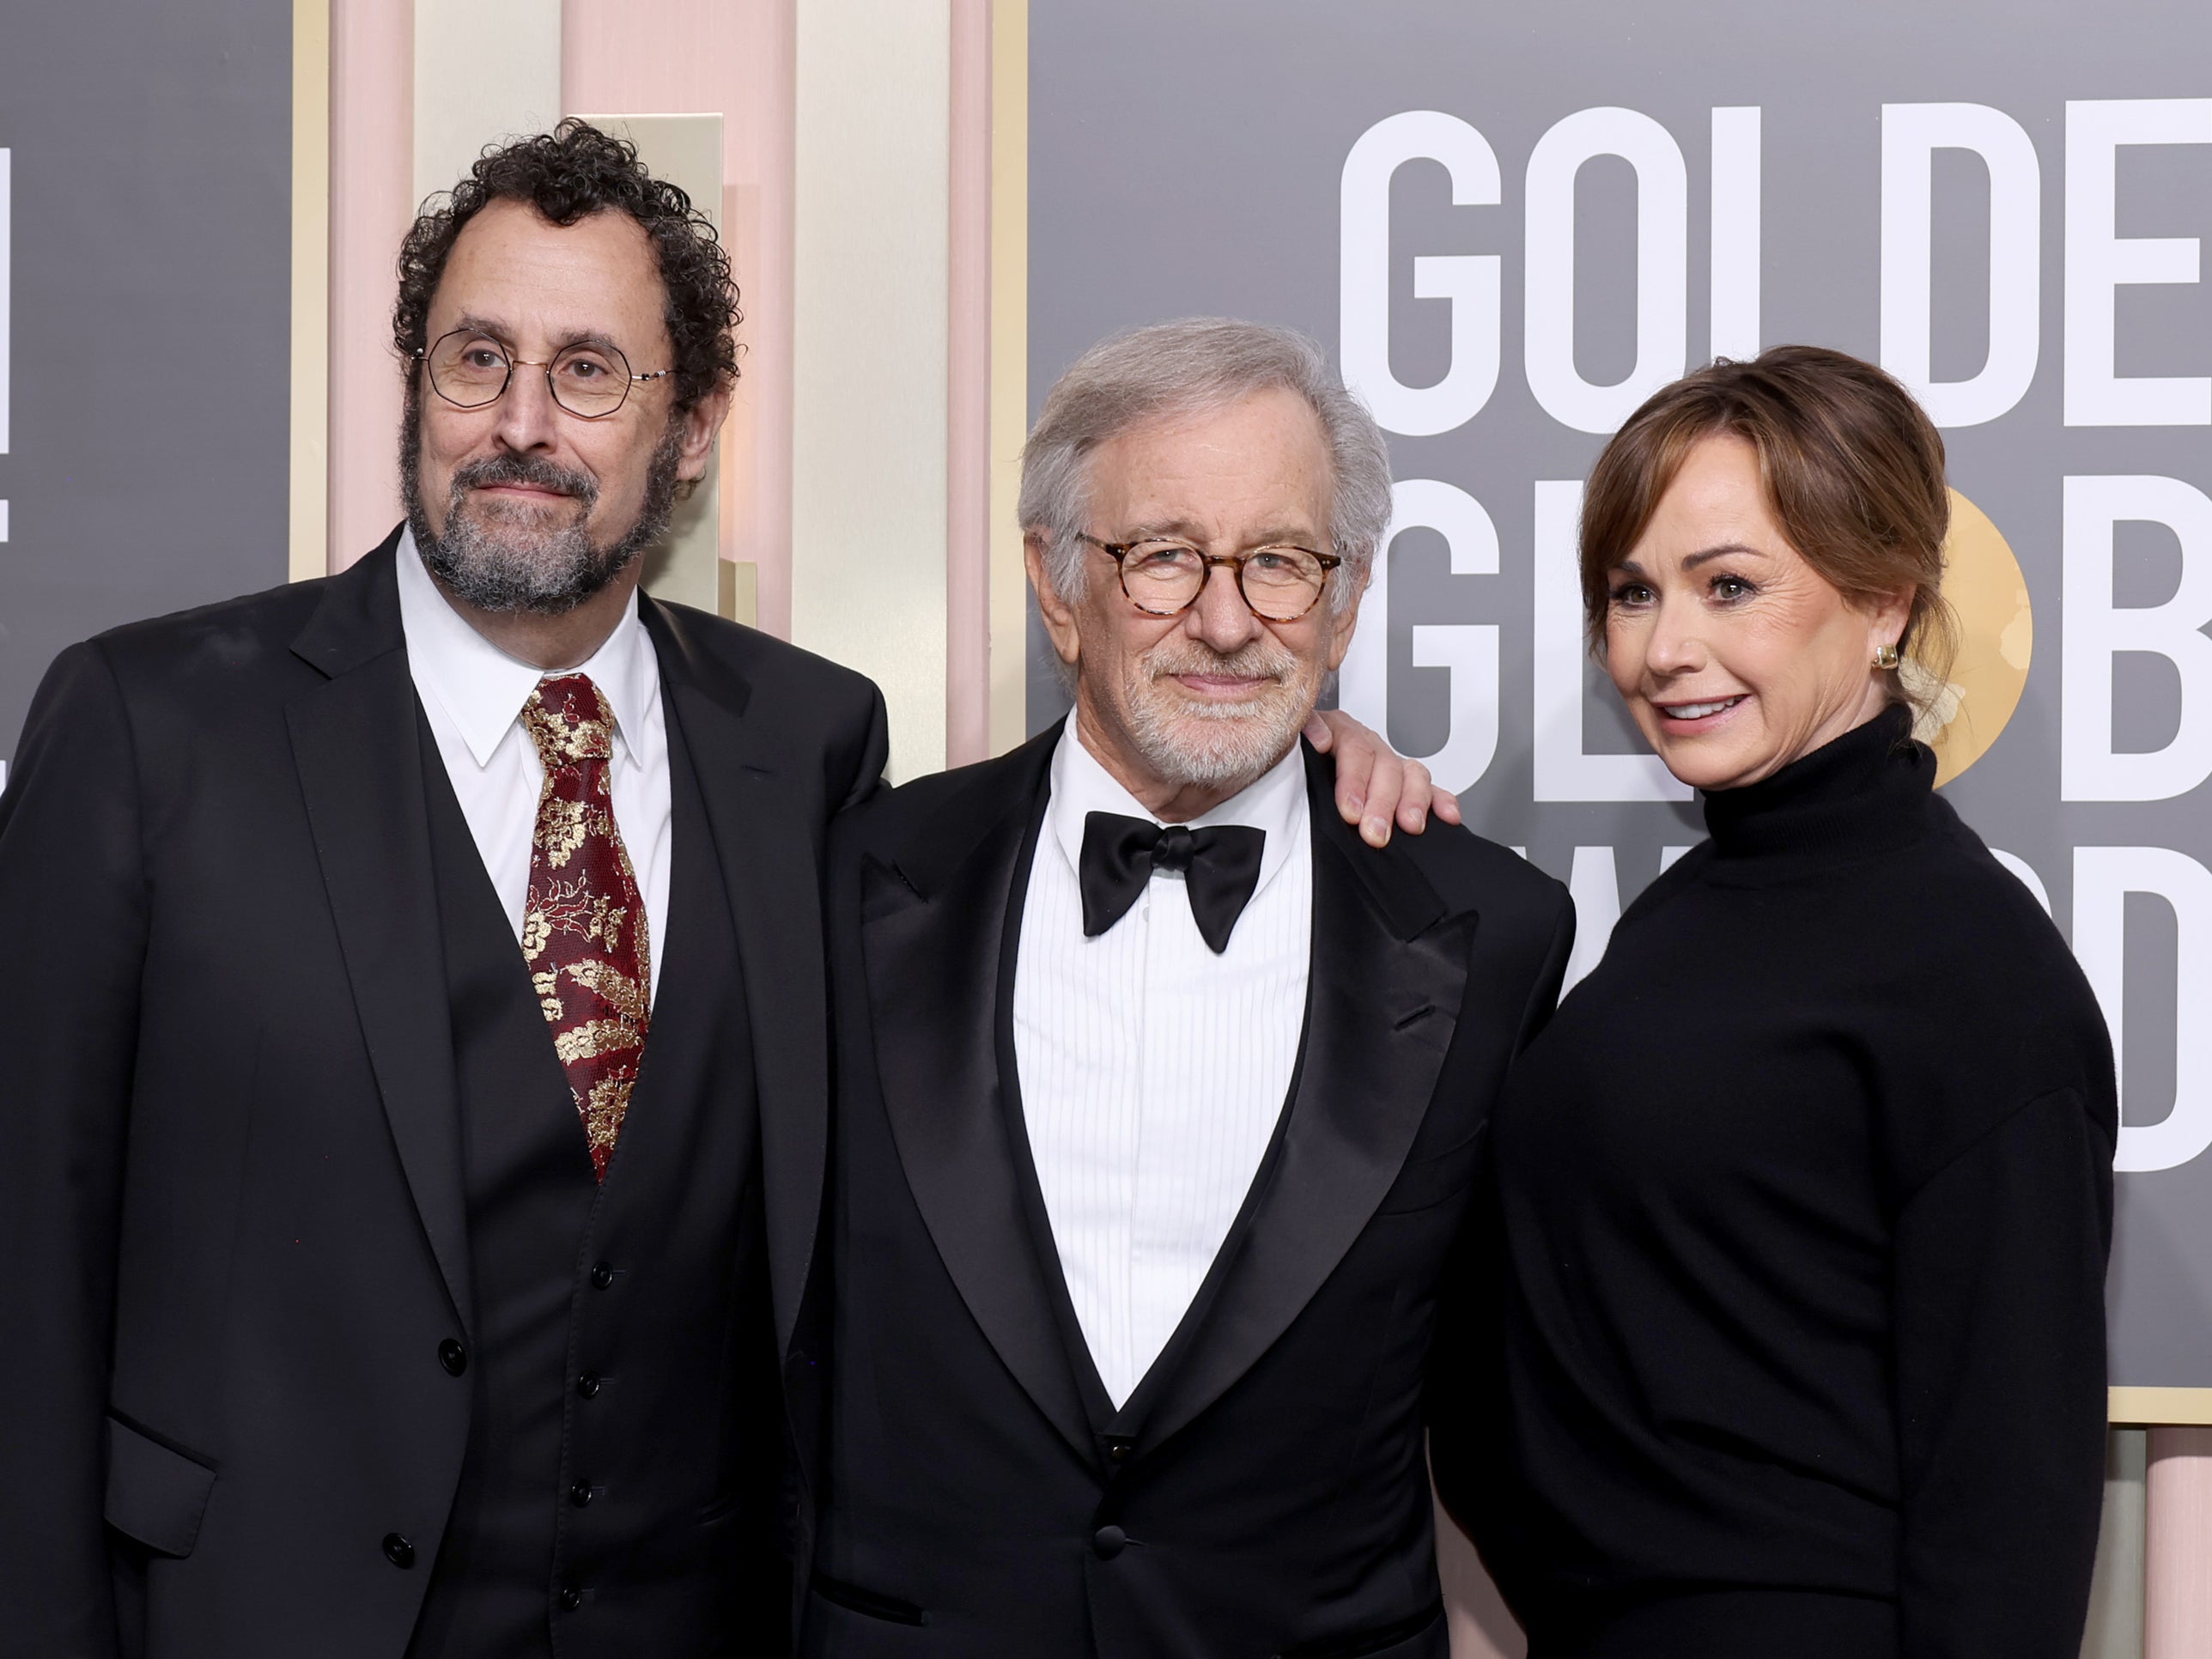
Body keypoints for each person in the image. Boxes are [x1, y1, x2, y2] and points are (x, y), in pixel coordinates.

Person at [0, 128, 1443, 1659]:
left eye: (591, 372)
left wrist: (1280, 741)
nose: (518, 422)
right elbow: (25, 1269)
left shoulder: (808, 747)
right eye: (475, 357)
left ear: (689, 431)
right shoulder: (152, 731)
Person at [800, 319, 1576, 1658]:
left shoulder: (1492, 934)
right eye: (1162, 557)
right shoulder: (844, 880)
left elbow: (1528, 1408)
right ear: (1056, 585)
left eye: (1279, 562)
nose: (1225, 621)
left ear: (1346, 600)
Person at [1435, 346, 2117, 1658]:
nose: (1663, 650)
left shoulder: (1976, 973)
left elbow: (2009, 1506)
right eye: (1632, 593)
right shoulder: (1688, 912)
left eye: (1730, 587)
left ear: (1882, 605)